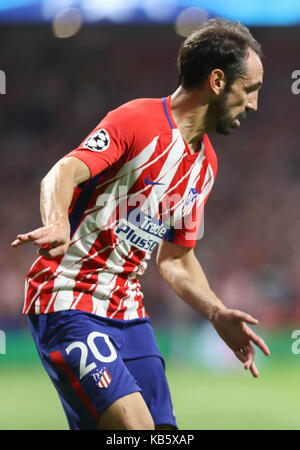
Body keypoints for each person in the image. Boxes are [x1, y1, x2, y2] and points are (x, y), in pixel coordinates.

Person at [12, 18, 270, 430]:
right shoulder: (139, 119)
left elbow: (177, 259)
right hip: (66, 296)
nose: (253, 105)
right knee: (135, 430)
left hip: (128, 311)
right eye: (250, 89)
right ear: (218, 81)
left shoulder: (205, 166)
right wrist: (58, 221)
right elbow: (61, 174)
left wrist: (217, 312)